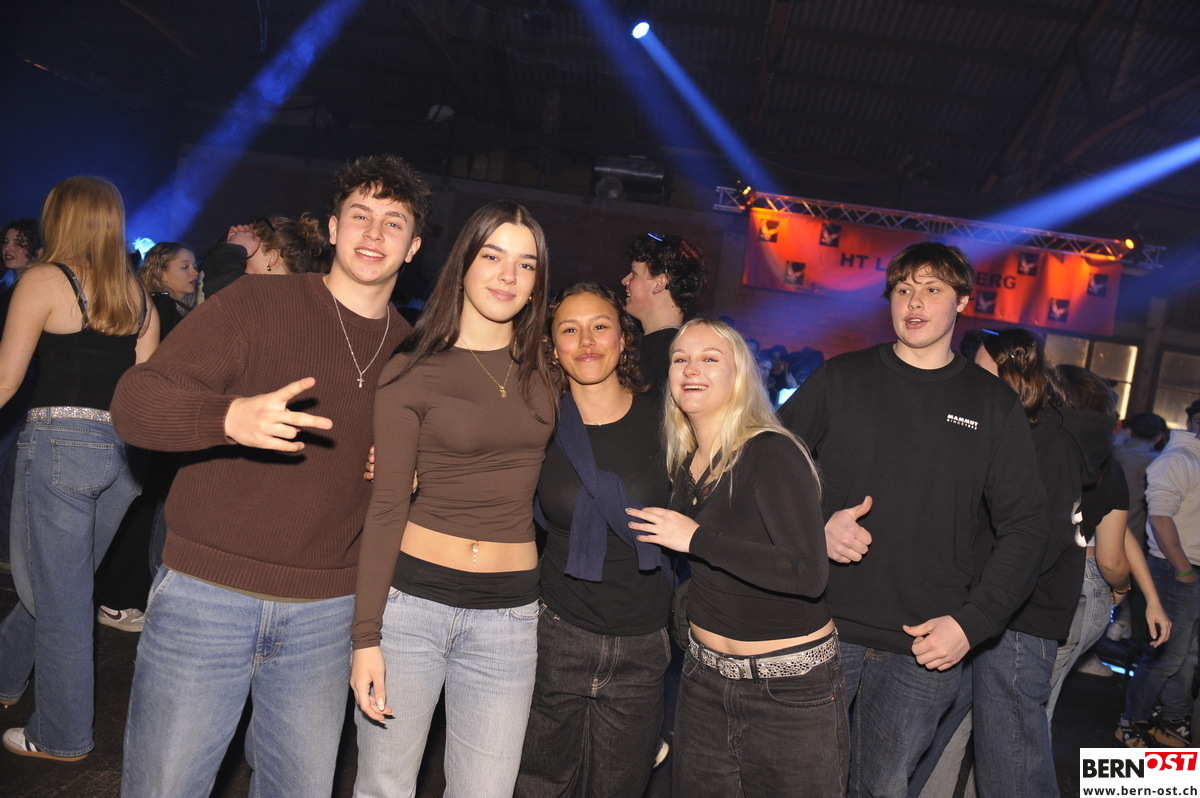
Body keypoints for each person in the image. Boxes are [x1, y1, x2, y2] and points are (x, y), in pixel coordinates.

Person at [111, 153, 428, 796]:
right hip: (207, 595)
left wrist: (414, 473)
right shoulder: (257, 302)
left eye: (393, 222)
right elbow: (134, 404)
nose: (374, 233)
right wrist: (227, 417)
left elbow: (415, 480)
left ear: (414, 246)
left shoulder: (417, 353)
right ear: (332, 229)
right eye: (360, 216)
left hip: (326, 614)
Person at [778, 242, 1047, 798]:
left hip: (925, 645)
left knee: (881, 788)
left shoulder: (993, 403)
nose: (915, 302)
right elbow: (767, 471)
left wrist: (973, 622)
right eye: (903, 289)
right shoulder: (842, 378)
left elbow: (1026, 528)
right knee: (794, 781)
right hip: (820, 628)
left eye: (932, 289)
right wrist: (817, 525)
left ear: (962, 302)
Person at [351, 199, 555, 798]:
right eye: (492, 256)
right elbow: (387, 507)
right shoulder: (413, 368)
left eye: (526, 264)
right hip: (412, 607)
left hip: (509, 617)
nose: (508, 275)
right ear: (463, 262)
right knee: (385, 785)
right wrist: (365, 638)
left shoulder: (551, 370)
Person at [626, 318, 846, 796]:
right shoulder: (688, 462)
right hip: (703, 680)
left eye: (710, 359)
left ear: (739, 375)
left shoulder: (771, 452)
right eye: (681, 359)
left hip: (787, 690)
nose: (691, 369)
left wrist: (697, 539)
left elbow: (808, 573)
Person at [0, 176, 159, 761]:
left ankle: (62, 734)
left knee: (60, 598)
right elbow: (144, 394)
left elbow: (5, 379)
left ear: (61, 218)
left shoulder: (44, 279)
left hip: (59, 444)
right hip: (122, 454)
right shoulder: (138, 295)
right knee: (59, 583)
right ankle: (5, 675)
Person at [515, 283, 673, 798]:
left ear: (623, 339)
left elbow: (731, 485)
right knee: (536, 786)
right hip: (556, 634)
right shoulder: (537, 421)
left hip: (643, 641)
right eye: (570, 329)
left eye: (600, 326)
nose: (586, 341)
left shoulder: (670, 420)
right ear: (552, 348)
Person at [968, 330, 1112, 796]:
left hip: (1018, 616)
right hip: (1012, 611)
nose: (968, 379)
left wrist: (987, 598)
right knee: (997, 749)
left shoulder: (1047, 442)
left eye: (981, 371)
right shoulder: (1032, 435)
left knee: (1012, 760)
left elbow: (1039, 540)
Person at [1117, 398, 1200, 748]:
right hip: (1174, 568)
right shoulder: (1178, 458)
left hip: (1186, 567)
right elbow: (1160, 516)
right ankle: (1132, 720)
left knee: (1186, 656)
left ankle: (1172, 719)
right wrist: (1183, 570)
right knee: (1166, 655)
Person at [620, 233, 705, 386]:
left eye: (634, 274)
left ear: (659, 284)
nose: (624, 281)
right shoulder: (673, 347)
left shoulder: (667, 353)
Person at [200, 214, 323, 297]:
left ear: (271, 257)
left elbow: (221, 296)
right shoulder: (296, 297)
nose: (243, 258)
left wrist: (233, 249)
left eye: (249, 247)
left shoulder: (267, 300)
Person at [138, 242, 199, 338]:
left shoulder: (161, 305)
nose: (195, 272)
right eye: (185, 267)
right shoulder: (162, 305)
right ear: (162, 275)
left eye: (194, 267)